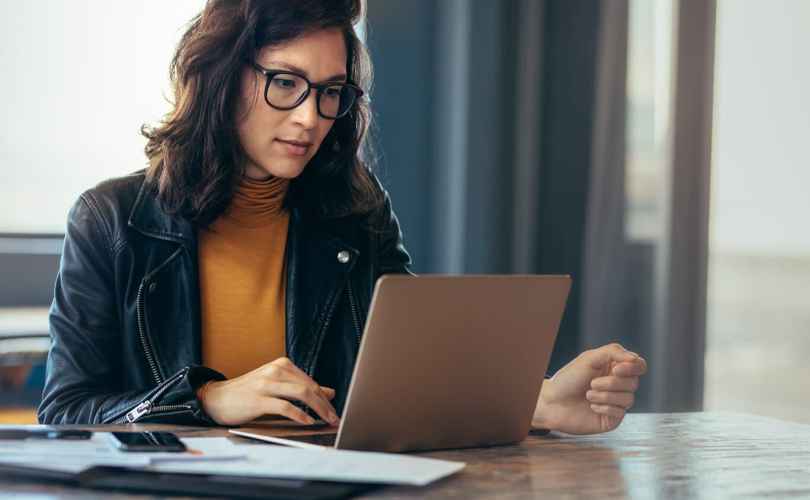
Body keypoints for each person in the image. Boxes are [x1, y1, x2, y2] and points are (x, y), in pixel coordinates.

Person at [37, 0, 647, 435]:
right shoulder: (112, 220)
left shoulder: (355, 210)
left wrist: (534, 403)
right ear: (221, 78)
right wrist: (207, 399)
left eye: (331, 91)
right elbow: (66, 411)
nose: (310, 117)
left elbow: (412, 377)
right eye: (285, 83)